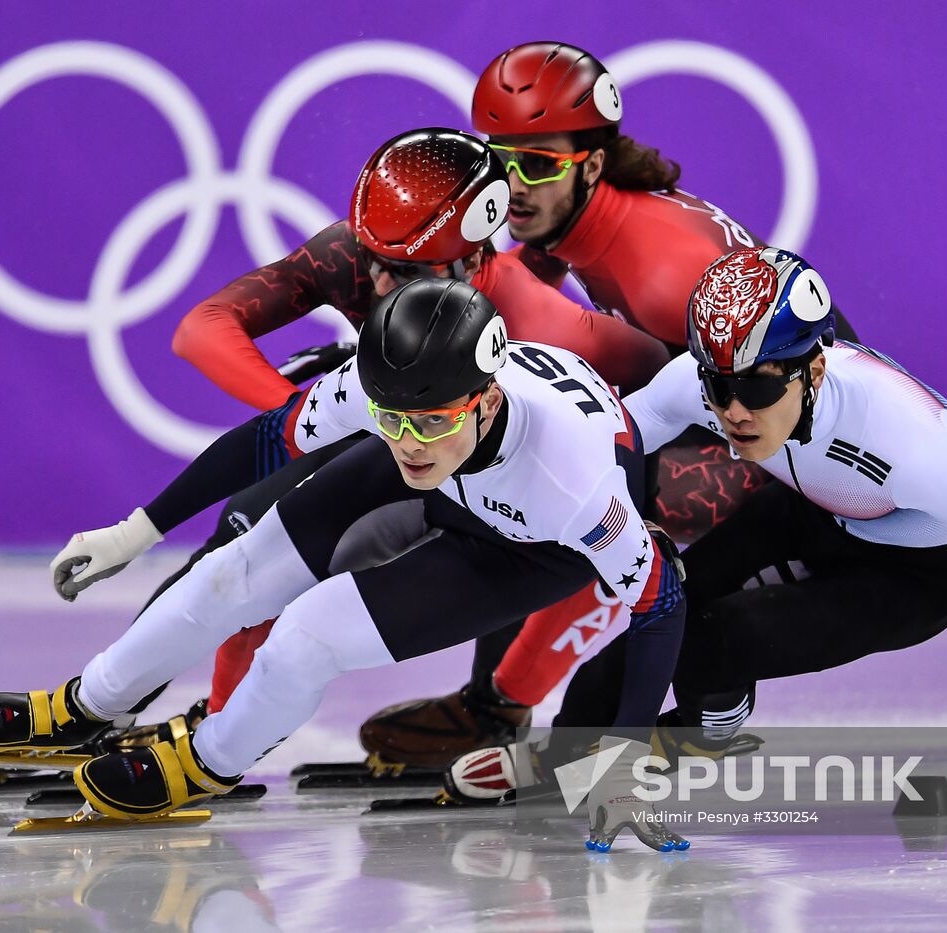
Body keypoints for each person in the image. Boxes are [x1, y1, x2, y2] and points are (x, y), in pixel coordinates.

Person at [0, 278, 689, 850]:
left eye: (430, 420)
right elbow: (269, 438)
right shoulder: (401, 403)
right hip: (462, 483)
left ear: (486, 401)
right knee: (232, 572)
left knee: (304, 635)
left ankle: (207, 759)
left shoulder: (577, 486)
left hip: (527, 547)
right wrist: (137, 530)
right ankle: (88, 703)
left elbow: (661, 601)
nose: (409, 439)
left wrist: (625, 759)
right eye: (391, 419)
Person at [357, 40, 862, 766]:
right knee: (523, 445)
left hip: (796, 442)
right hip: (732, 404)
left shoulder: (659, 269)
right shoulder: (577, 217)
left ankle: (500, 705)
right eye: (501, 162)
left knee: (586, 489)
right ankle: (494, 700)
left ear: (592, 164)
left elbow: (776, 392)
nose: (513, 186)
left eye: (537, 164)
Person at [449, 247, 947, 823]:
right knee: (661, 608)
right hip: (819, 509)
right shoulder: (710, 387)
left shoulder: (906, 444)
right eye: (718, 387)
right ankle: (567, 747)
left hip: (920, 573)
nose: (734, 412)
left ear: (814, 370)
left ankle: (704, 730)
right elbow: (618, 435)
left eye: (755, 387)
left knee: (716, 641)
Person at [109, 127, 670, 730]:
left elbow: (659, 376)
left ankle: (493, 709)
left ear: (474, 261)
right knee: (241, 534)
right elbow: (203, 329)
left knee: (526, 530)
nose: (377, 282)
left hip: (487, 471)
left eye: (404, 271)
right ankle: (109, 711)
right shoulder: (355, 254)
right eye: (373, 258)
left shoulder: (539, 323)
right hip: (393, 426)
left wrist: (644, 486)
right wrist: (309, 415)